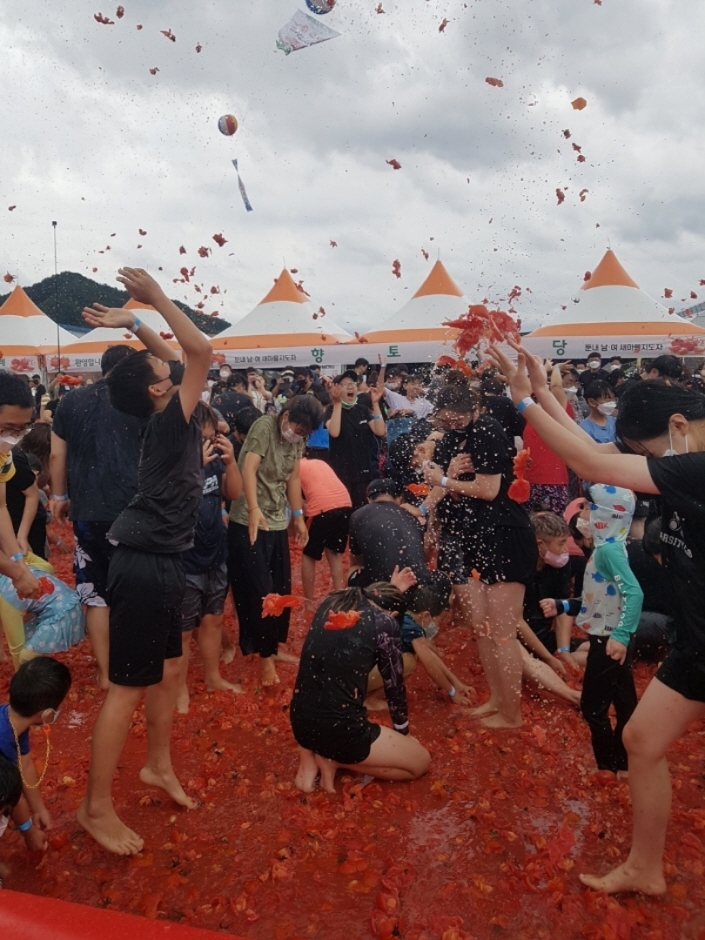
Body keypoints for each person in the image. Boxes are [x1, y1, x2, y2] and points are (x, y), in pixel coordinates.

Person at [488, 338, 705, 895]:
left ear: (680, 423)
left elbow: (588, 461)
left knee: (640, 740)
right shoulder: (682, 460)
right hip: (696, 640)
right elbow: (598, 454)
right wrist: (538, 391)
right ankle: (645, 868)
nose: (650, 466)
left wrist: (523, 405)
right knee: (640, 741)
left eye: (650, 453)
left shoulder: (698, 468)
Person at [75, 265, 212, 856]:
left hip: (162, 560)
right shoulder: (172, 418)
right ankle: (93, 807)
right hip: (144, 563)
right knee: (125, 691)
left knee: (169, 673)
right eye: (163, 372)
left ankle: (157, 765)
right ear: (159, 390)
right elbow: (197, 348)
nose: (170, 368)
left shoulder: (164, 413)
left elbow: (176, 357)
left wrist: (135, 320)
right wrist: (156, 296)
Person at [421, 377, 537, 729]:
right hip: (476, 537)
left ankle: (512, 714)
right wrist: (444, 482)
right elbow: (447, 488)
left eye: (456, 415)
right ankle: (497, 700)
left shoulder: (487, 429)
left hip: (505, 536)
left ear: (473, 409)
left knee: (502, 631)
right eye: (444, 416)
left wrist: (444, 481)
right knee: (483, 628)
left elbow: (487, 489)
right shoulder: (451, 438)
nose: (450, 421)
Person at [51, 346, 141, 689]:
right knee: (133, 589)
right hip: (134, 512)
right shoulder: (139, 401)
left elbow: (58, 455)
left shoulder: (71, 402)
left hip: (88, 510)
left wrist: (59, 496)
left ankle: (105, 672)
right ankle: (133, 663)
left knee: (97, 594)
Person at [290, 574, 430, 794]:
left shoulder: (334, 599)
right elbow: (394, 687)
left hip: (300, 722)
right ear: (393, 614)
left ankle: (313, 754)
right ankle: (336, 760)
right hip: (340, 731)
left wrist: (393, 589)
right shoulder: (385, 623)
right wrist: (403, 735)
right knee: (421, 762)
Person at [546, 485, 643, 775]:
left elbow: (634, 594)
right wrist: (563, 606)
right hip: (615, 636)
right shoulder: (612, 546)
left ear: (606, 515)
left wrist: (620, 636)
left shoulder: (608, 552)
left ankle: (607, 767)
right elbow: (598, 598)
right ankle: (625, 763)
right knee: (624, 702)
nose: (583, 513)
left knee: (593, 708)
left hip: (608, 640)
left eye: (589, 508)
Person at [228, 396, 323, 687]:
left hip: (277, 520)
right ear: (286, 414)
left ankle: (274, 646)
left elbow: (293, 480)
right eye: (298, 426)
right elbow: (249, 469)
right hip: (248, 519)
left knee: (281, 587)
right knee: (260, 591)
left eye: (305, 431)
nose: (298, 433)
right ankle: (265, 658)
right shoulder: (264, 427)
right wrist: (254, 509)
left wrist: (297, 516)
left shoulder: (296, 441)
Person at [175, 402, 243, 713]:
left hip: (215, 550)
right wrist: (192, 466)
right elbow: (170, 502)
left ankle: (213, 677)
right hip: (183, 557)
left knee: (213, 619)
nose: (211, 438)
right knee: (183, 629)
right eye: (206, 433)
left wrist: (230, 463)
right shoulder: (173, 460)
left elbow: (234, 494)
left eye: (214, 433)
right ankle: (178, 690)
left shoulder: (215, 458)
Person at [0, 657, 72, 856]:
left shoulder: (10, 720)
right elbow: (12, 796)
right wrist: (29, 831)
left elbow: (25, 764)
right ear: (47, 715)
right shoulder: (3, 744)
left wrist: (39, 809)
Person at [0, 374, 42, 603]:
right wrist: (17, 573)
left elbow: (0, 508)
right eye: (8, 428)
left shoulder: (3, 454)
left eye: (22, 429)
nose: (14, 437)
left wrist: (17, 557)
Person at [326, 370, 386, 510]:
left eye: (352, 383)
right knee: (344, 511)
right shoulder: (330, 410)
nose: (350, 387)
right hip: (341, 473)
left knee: (362, 510)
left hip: (363, 472)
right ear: (336, 388)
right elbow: (334, 432)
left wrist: (376, 404)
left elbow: (380, 431)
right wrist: (336, 404)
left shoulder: (363, 409)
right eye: (344, 384)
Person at [299, 457, 352, 605]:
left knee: (308, 555)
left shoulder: (293, 468)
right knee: (334, 552)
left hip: (322, 507)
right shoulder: (319, 462)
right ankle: (340, 595)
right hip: (346, 503)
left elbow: (295, 504)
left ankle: (308, 602)